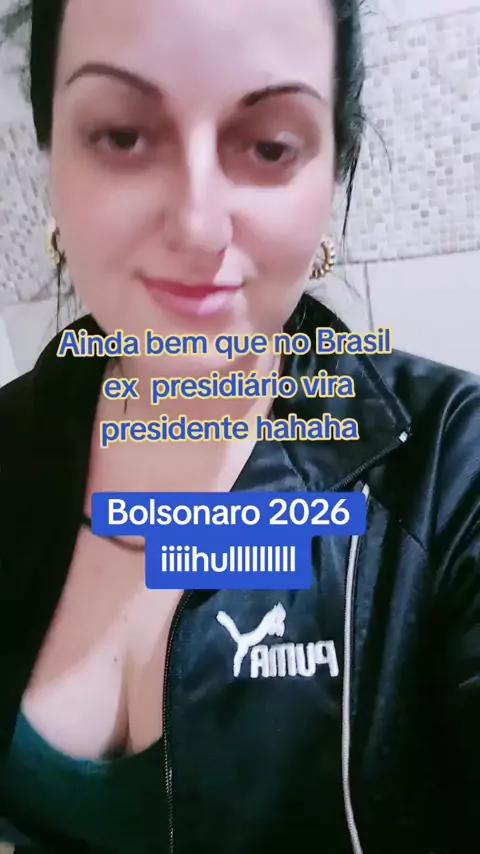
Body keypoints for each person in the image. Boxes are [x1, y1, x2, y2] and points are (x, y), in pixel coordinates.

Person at [0, 0, 478, 852]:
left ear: (334, 169)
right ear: (51, 153)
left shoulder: (452, 472)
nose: (197, 225)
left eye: (269, 146)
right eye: (121, 134)